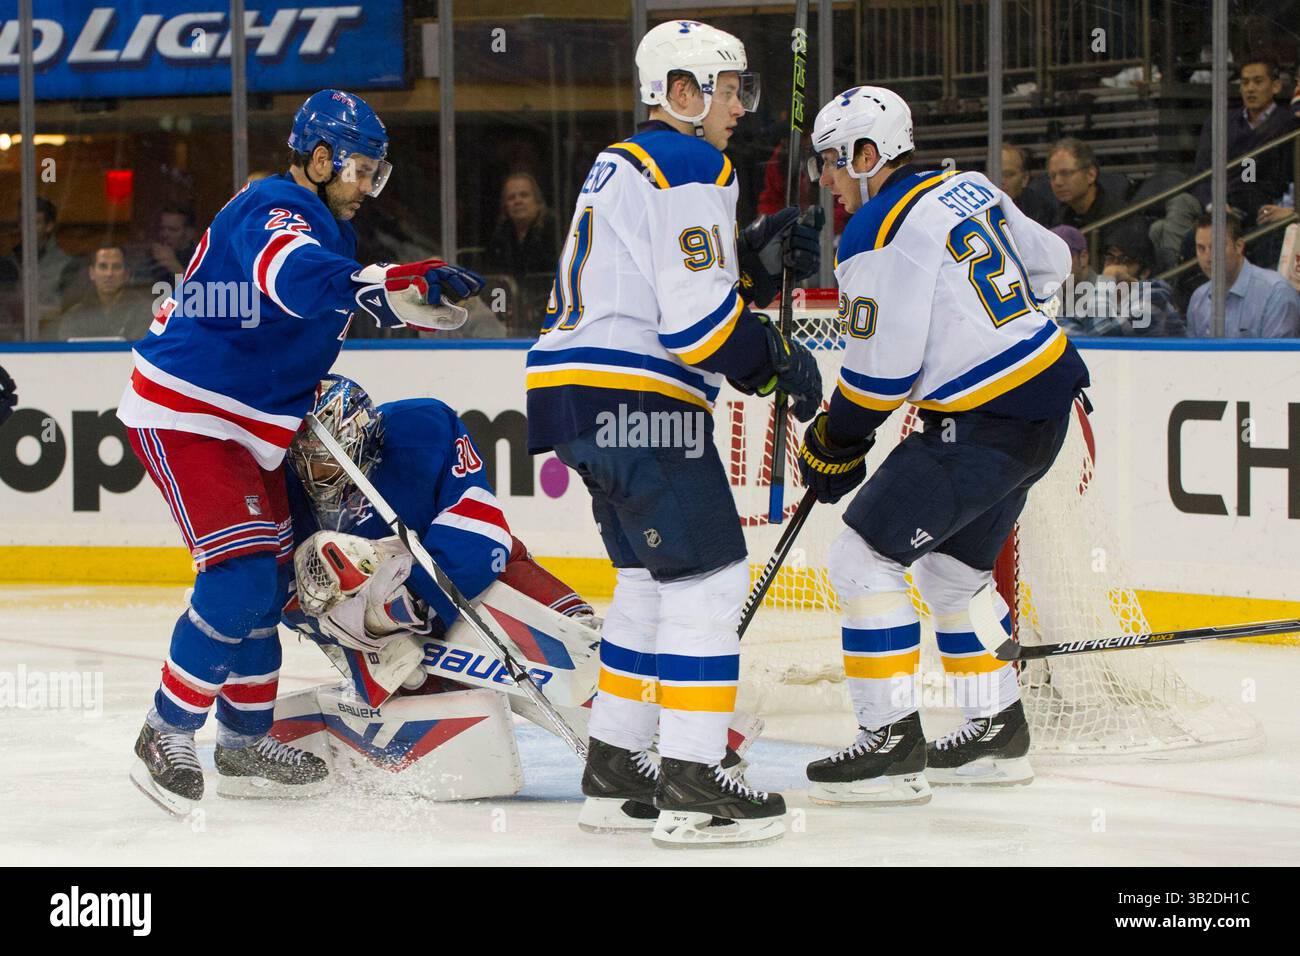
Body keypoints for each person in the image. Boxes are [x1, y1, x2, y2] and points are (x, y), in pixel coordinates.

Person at [117, 88, 486, 816]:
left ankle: (245, 741)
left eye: (375, 175)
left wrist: (388, 296)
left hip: (249, 426)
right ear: (319, 158)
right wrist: (379, 288)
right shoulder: (274, 208)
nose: (366, 187)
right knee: (238, 579)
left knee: (272, 579)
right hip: (188, 413)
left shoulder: (324, 224)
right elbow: (288, 275)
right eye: (359, 169)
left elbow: (312, 303)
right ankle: (166, 729)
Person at [526, 19, 823, 848]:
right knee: (711, 581)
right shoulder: (694, 161)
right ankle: (694, 781)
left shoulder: (625, 162)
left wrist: (755, 264)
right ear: (682, 92)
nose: (740, 106)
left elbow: (663, 286)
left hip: (575, 397)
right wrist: (772, 359)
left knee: (649, 587)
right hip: (639, 401)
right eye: (728, 89)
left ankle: (617, 769)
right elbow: (698, 328)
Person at [799, 85, 1089, 805]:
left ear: (868, 155)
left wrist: (834, 438)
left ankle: (890, 742)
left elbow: (880, 376)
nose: (828, 180)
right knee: (954, 576)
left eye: (832, 163)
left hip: (982, 424)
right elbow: (1054, 261)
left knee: (862, 556)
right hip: (1045, 406)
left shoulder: (874, 228)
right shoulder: (969, 186)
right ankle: (995, 729)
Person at [281, 374, 594, 661]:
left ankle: (573, 629)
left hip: (451, 574)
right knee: (416, 684)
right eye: (304, 463)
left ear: (362, 439)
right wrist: (335, 622)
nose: (314, 477)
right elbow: (281, 587)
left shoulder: (422, 430)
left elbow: (481, 529)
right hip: (378, 634)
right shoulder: (285, 483)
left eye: (325, 464)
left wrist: (414, 599)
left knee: (578, 638)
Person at [1190, 57, 1295, 227]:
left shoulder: (1289, 125)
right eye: (1245, 83)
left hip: (1261, 211)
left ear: (1276, 86)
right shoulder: (1221, 122)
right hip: (1217, 208)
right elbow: (1201, 174)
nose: (1250, 89)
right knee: (1180, 208)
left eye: (1258, 82)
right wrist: (1214, 205)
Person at [1059, 219, 1183, 337]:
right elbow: (1064, 332)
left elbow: (1103, 335)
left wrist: (1107, 278)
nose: (1114, 266)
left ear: (1144, 272)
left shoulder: (1155, 295)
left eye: (1125, 260)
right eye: (1110, 257)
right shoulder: (1093, 295)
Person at [1187, 212, 1300, 337]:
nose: (1208, 257)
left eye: (1216, 247)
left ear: (1239, 246)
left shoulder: (1276, 293)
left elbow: (1277, 356)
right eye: (1201, 248)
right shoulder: (1198, 299)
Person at [53, 245, 153, 341]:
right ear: (92, 273)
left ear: (127, 274)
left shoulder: (145, 312)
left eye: (116, 267)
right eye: (103, 266)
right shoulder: (75, 315)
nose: (109, 274)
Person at [8, 197, 77, 335]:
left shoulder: (66, 265)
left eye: (35, 222)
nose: (28, 228)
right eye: (23, 221)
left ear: (49, 226)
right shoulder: (6, 262)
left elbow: (70, 309)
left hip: (51, 338)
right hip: (10, 340)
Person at [1047, 137, 1126, 248]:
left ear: (1091, 175)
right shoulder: (1060, 218)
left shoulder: (1119, 218)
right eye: (1052, 176)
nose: (1058, 182)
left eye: (1066, 173)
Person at [138, 205, 199, 288]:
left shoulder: (201, 259)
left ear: (189, 233)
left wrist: (174, 266)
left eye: (173, 230)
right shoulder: (151, 257)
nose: (165, 234)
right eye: (162, 228)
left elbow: (204, 292)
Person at [1001, 144, 1054, 227]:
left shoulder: (1039, 210)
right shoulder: (978, 208)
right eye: (995, 174)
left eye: (1008, 174)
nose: (1001, 181)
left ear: (1025, 178)